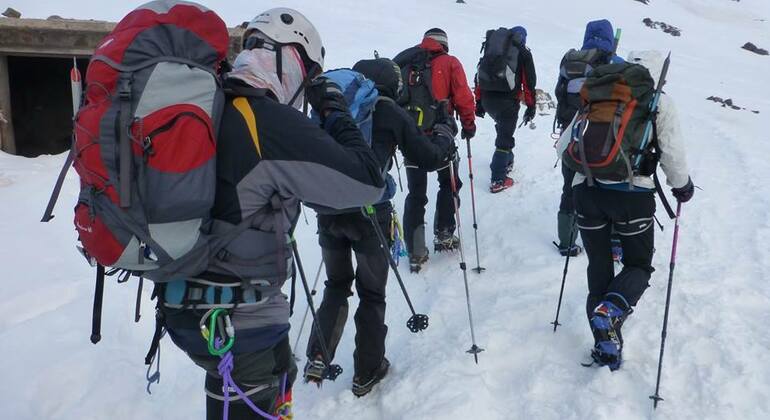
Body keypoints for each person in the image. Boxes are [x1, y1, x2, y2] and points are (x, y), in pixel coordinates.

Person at [159, 8, 385, 419]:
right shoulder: (267, 120)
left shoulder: (209, 104)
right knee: (255, 389)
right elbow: (367, 183)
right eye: (309, 73)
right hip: (244, 324)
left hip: (184, 311)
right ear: (292, 59)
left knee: (228, 392)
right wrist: (334, 109)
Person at [303, 58, 456, 396]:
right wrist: (445, 131)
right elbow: (431, 158)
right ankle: (367, 372)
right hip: (371, 213)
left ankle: (318, 356)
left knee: (336, 284)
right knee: (371, 293)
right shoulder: (387, 110)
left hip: (328, 210)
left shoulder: (331, 107)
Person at [565, 50, 695, 370]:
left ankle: (606, 347)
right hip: (631, 196)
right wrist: (683, 185)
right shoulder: (657, 101)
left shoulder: (598, 95)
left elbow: (564, 146)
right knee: (638, 265)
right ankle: (611, 310)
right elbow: (672, 154)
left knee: (599, 265)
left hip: (586, 190)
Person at [394, 28, 476, 269]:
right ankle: (444, 234)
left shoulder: (405, 64)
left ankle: (416, 251)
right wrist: (468, 124)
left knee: (416, 194)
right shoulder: (449, 62)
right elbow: (463, 96)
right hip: (440, 137)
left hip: (410, 137)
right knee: (449, 183)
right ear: (444, 44)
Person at [553, 19, 624, 256]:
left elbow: (560, 95)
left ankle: (567, 241)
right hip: (606, 138)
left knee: (570, 187)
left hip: (571, 136)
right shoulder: (617, 63)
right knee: (611, 187)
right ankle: (614, 244)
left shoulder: (572, 62)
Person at [474, 26, 537, 193]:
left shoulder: (493, 50)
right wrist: (531, 106)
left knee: (503, 128)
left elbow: (479, 75)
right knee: (504, 137)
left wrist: (479, 102)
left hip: (488, 100)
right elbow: (529, 83)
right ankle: (498, 179)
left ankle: (507, 160)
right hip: (508, 101)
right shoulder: (522, 53)